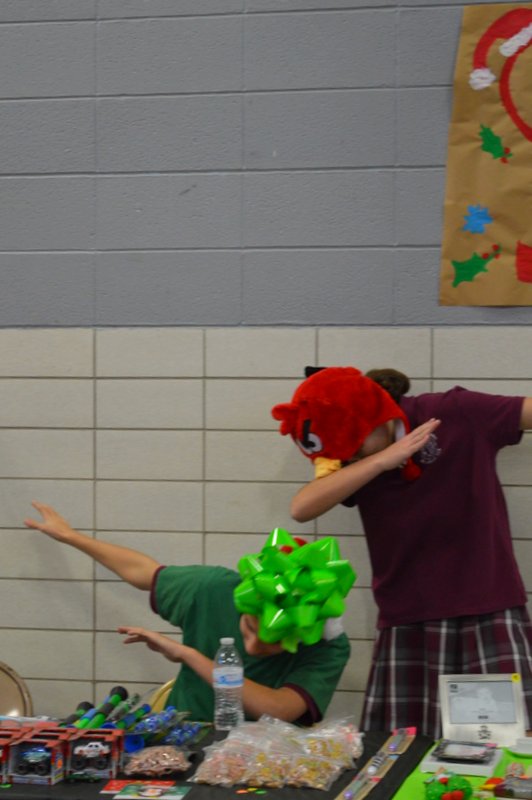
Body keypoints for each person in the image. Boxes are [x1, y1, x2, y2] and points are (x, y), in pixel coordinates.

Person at [271, 365, 532, 738]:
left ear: (374, 414)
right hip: (408, 617)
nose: (349, 457)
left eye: (355, 447)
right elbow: (301, 508)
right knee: (401, 750)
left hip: (487, 610)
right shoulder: (351, 457)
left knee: (499, 748)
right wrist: (381, 460)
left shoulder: (453, 412)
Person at [24, 503, 354, 725]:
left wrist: (189, 655)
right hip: (184, 734)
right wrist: (71, 537)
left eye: (273, 643)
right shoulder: (212, 590)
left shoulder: (329, 646)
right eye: (249, 628)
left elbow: (278, 710)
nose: (252, 647)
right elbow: (143, 572)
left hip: (266, 756)